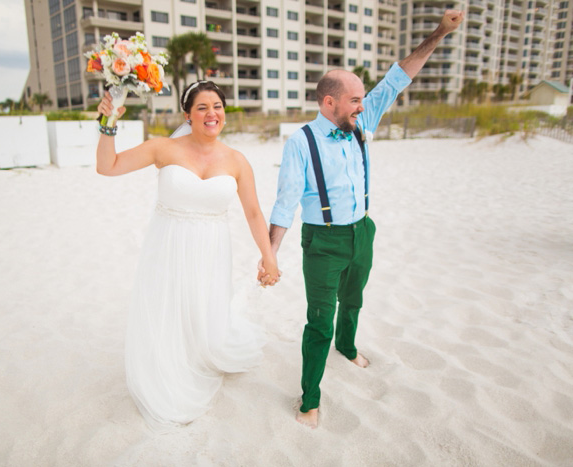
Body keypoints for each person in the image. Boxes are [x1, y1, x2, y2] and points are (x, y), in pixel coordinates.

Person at [261, 10, 464, 428]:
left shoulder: (360, 120)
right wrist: (270, 255)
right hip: (323, 240)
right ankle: (310, 399)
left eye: (362, 99)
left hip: (363, 230)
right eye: (355, 99)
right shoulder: (302, 142)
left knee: (353, 300)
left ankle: (348, 345)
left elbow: (398, 77)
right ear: (329, 102)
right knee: (319, 319)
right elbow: (285, 203)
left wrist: (439, 33)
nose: (363, 105)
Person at [96, 80, 280, 431]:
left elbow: (254, 213)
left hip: (211, 247)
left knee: (201, 306)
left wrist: (268, 256)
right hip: (167, 244)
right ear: (188, 115)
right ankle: (165, 367)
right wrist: (107, 124)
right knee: (168, 305)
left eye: (218, 107)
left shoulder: (237, 160)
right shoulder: (162, 148)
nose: (212, 114)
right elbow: (108, 166)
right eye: (202, 108)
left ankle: (199, 351)